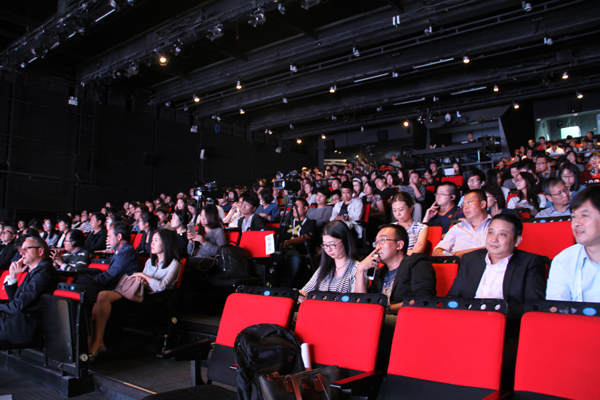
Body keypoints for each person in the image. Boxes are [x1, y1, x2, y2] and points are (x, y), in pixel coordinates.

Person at [88, 229, 181, 360]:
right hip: (139, 294)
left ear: (166, 243)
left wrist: (143, 276)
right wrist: (142, 279)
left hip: (153, 300)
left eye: (155, 240)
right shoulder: (150, 262)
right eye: (151, 240)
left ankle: (97, 343)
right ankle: (96, 342)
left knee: (106, 302)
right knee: (102, 296)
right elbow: (144, 282)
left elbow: (161, 287)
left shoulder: (174, 263)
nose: (151, 244)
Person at [448, 214, 546, 326]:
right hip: (466, 322)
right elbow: (453, 297)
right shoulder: (470, 259)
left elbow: (533, 305)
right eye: (491, 232)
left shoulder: (530, 263)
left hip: (504, 326)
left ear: (517, 241)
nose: (494, 239)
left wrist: (492, 315)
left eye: (502, 234)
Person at [356, 224, 436, 313]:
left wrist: (384, 309)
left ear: (399, 245)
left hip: (406, 318)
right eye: (376, 242)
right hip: (380, 319)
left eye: (383, 240)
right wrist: (360, 270)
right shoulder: (380, 272)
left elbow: (423, 299)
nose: (377, 247)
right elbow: (362, 303)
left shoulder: (417, 262)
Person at [0, 237, 59, 346]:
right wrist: (12, 276)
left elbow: (17, 306)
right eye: (21, 249)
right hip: (15, 320)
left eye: (26, 249)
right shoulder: (35, 270)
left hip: (23, 327)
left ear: (40, 251)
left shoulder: (44, 271)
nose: (21, 253)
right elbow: (15, 301)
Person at [547, 186, 600, 302]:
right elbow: (557, 312)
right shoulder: (563, 260)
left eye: (584, 216)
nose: (576, 223)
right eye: (574, 217)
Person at [75, 222, 140, 306]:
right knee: (80, 275)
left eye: (109, 236)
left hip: (118, 290)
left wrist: (90, 279)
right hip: (112, 285)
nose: (107, 239)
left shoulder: (126, 252)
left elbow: (109, 278)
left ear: (119, 237)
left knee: (80, 280)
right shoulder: (121, 250)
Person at [298, 221, 357, 300]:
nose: (328, 249)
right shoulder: (324, 268)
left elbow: (356, 301)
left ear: (345, 241)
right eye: (325, 245)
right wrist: (300, 296)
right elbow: (306, 291)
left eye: (332, 245)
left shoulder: (356, 269)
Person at [433, 190, 491, 258]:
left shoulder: (495, 225)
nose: (465, 207)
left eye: (469, 202)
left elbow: (497, 248)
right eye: (463, 204)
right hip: (457, 265)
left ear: (483, 204)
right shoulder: (458, 227)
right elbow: (437, 250)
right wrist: (448, 259)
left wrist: (464, 254)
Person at [280, 198, 317, 288]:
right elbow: (279, 236)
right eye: (293, 206)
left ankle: (286, 287)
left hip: (300, 252)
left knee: (293, 255)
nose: (294, 208)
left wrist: (288, 242)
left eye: (297, 206)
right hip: (283, 249)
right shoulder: (287, 222)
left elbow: (306, 237)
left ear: (305, 209)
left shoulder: (310, 223)